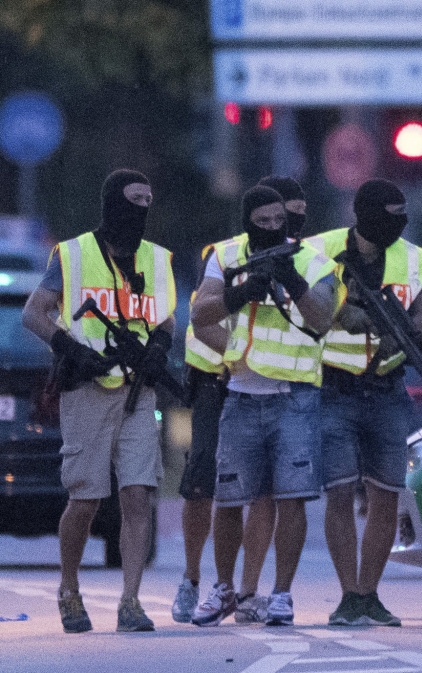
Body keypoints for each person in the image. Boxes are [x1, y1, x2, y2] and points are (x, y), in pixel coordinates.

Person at [22, 169, 176, 633]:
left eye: (149, 199)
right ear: (112, 202)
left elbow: (164, 321)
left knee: (137, 494)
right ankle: (69, 590)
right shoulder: (73, 254)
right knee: (86, 498)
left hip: (138, 391)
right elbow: (35, 313)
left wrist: (159, 349)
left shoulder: (157, 259)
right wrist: (69, 348)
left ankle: (131, 601)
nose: (142, 207)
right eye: (134, 199)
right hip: (86, 390)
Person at [190, 184, 337, 627]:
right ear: (248, 220)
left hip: (295, 395)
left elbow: (323, 317)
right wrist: (241, 292)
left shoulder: (313, 261)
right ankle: (223, 588)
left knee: (292, 498)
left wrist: (290, 279)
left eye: (281, 221)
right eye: (265, 222)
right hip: (242, 393)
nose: (275, 228)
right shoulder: (227, 256)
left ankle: (281, 594)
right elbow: (200, 316)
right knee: (230, 496)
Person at [304, 179, 422, 627]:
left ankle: (368, 593)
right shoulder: (320, 249)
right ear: (364, 214)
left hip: (387, 386)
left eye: (403, 215)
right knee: (339, 492)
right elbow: (299, 304)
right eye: (388, 214)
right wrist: (341, 310)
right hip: (333, 387)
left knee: (386, 494)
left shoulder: (412, 257)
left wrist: (407, 331)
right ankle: (348, 596)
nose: (397, 224)